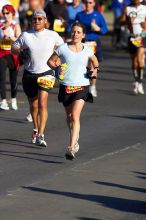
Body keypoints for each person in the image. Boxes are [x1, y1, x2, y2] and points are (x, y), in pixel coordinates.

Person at [11, 8, 64, 147]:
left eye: (40, 19)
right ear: (31, 21)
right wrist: (18, 50)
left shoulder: (52, 35)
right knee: (33, 105)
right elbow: (14, 47)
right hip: (29, 73)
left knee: (42, 104)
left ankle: (41, 134)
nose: (37, 21)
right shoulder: (26, 35)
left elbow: (63, 48)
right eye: (34, 19)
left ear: (45, 21)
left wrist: (58, 59)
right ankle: (35, 128)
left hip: (46, 72)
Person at [47, 22, 99, 160]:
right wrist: (56, 66)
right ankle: (75, 138)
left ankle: (71, 146)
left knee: (75, 115)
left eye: (78, 32)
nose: (75, 34)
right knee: (69, 117)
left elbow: (95, 61)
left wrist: (95, 70)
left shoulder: (87, 49)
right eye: (73, 31)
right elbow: (50, 62)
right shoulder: (63, 48)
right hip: (66, 86)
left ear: (83, 35)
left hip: (82, 86)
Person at [76, 0, 108, 97]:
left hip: (94, 42)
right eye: (86, 2)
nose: (88, 4)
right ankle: (82, 85)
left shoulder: (98, 15)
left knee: (93, 65)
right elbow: (75, 27)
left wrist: (98, 28)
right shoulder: (79, 15)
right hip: (83, 43)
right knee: (83, 65)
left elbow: (105, 29)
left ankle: (92, 86)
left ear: (94, 4)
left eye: (90, 2)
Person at [121, 0, 146, 95]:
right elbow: (121, 22)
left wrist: (145, 25)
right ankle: (136, 80)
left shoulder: (145, 8)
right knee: (134, 62)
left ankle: (139, 83)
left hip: (142, 37)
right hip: (131, 37)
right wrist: (128, 20)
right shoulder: (127, 8)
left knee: (140, 60)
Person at [0, 4, 21, 110]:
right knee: (1, 78)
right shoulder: (0, 25)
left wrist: (10, 37)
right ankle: (3, 100)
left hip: (13, 54)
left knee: (13, 80)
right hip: (2, 53)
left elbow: (20, 40)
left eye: (7, 12)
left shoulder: (15, 25)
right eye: (3, 12)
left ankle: (13, 98)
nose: (5, 15)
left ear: (12, 13)